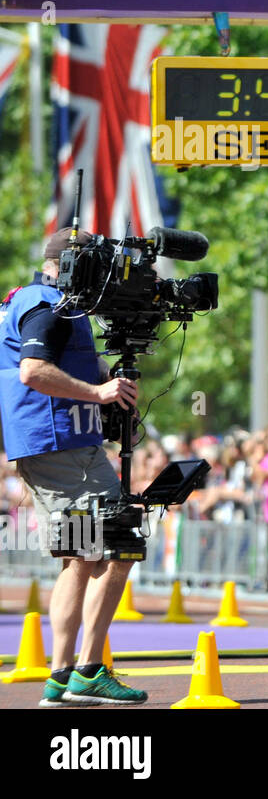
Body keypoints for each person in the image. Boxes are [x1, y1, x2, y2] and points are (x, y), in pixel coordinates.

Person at [0, 227, 145, 706]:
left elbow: (63, 365)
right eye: (95, 266)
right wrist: (99, 393)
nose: (103, 277)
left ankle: (63, 678)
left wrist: (107, 379)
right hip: (62, 449)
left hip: (63, 447)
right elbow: (33, 370)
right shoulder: (47, 305)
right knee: (118, 546)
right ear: (71, 265)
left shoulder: (49, 303)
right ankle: (85, 671)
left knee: (79, 560)